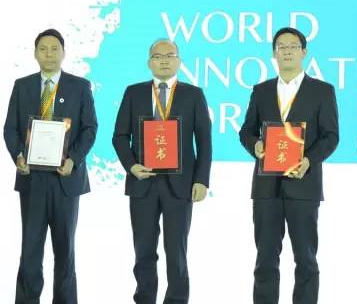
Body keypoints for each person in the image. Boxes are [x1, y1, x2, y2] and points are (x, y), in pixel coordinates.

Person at [239, 27, 339, 304]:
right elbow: (246, 131)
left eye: (293, 46)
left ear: (304, 52)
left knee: (305, 259)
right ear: (274, 53)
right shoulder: (261, 90)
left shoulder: (322, 91)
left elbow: (331, 136)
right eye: (281, 47)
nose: (286, 51)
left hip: (303, 184)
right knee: (265, 259)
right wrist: (255, 145)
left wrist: (308, 160)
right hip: (266, 187)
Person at [112, 39, 212, 304]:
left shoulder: (193, 94)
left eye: (170, 55)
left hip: (180, 184)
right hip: (142, 182)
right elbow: (120, 136)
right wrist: (132, 166)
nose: (164, 60)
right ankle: (144, 298)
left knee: (176, 250)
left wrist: (202, 180)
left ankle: (176, 300)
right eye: (158, 56)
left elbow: (204, 141)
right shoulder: (133, 93)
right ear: (149, 62)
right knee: (143, 250)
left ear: (178, 60)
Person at [4, 28, 98, 304]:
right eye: (43, 49)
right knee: (30, 249)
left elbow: (90, 128)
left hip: (65, 179)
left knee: (65, 250)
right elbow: (10, 129)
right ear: (35, 53)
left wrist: (73, 160)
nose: (49, 54)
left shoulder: (80, 86)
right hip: (31, 178)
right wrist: (18, 156)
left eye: (54, 48)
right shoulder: (22, 85)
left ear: (63, 52)